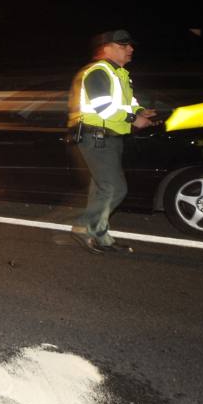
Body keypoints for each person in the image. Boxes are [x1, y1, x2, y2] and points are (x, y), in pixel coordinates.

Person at [67, 29, 158, 254]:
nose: (130, 49)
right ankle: (83, 226)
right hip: (96, 137)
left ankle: (101, 236)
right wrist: (133, 119)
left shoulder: (120, 74)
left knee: (101, 189)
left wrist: (139, 111)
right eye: (123, 45)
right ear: (105, 48)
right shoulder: (98, 71)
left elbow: (128, 102)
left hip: (110, 138)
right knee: (114, 188)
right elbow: (104, 107)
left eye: (129, 45)